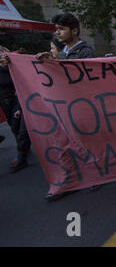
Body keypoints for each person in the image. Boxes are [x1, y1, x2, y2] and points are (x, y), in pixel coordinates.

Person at [34, 13, 97, 201]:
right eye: (56, 29)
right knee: (62, 144)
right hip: (64, 108)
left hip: (81, 109)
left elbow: (88, 81)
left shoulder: (86, 52)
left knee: (85, 144)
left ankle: (94, 175)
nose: (58, 33)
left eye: (62, 29)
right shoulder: (62, 53)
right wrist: (49, 64)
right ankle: (68, 181)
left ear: (74, 30)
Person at [0, 45, 32, 173]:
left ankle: (21, 156)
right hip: (4, 101)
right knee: (14, 127)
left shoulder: (13, 65)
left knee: (18, 127)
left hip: (17, 98)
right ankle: (23, 149)